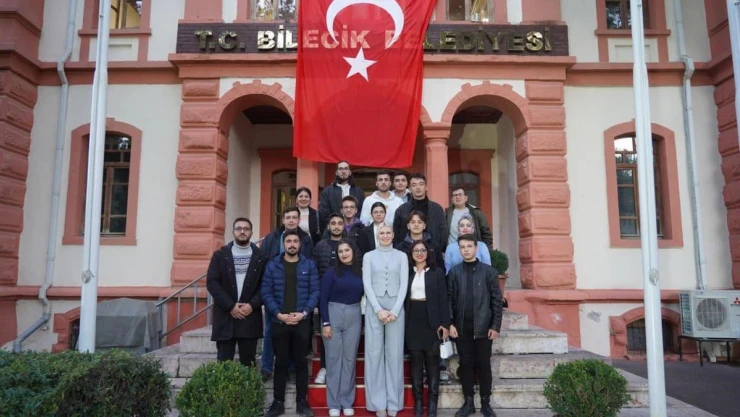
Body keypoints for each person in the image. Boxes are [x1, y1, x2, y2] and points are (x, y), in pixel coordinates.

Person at [262, 231, 320, 417]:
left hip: (301, 322)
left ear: (300, 244)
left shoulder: (309, 265)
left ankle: (302, 402)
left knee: (301, 362)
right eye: (289, 241)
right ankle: (277, 402)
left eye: (295, 241)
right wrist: (278, 314)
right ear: (283, 244)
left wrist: (303, 313)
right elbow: (266, 292)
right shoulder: (272, 266)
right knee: (280, 362)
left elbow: (315, 292)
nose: (292, 244)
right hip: (279, 321)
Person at [447, 234, 503, 417]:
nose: (466, 250)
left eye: (469, 246)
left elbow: (496, 301)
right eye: (462, 247)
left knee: (484, 364)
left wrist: (495, 326)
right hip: (461, 327)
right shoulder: (454, 272)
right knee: (466, 364)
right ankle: (469, 402)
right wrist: (450, 323)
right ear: (459, 249)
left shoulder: (489, 272)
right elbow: (449, 300)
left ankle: (486, 403)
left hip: (484, 327)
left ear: (476, 248)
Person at [260, 206, 315, 381]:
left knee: (293, 337)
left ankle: (291, 368)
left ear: (299, 220)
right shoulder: (271, 238)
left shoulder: (306, 239)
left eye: (294, 217)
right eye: (288, 217)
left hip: (297, 294)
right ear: (283, 220)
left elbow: (308, 263)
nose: (291, 220)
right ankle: (267, 367)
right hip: (275, 295)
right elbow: (263, 261)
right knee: (270, 334)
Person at [206, 217, 268, 367]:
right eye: (239, 228)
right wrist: (230, 306)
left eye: (246, 229)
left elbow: (266, 285)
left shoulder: (261, 257)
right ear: (233, 231)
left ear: (251, 232)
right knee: (224, 364)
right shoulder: (220, 255)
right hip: (225, 316)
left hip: (250, 316)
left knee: (248, 363)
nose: (242, 231)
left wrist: (252, 305)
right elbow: (212, 283)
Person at [362, 224, 409, 417]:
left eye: (388, 232)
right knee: (374, 355)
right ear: (377, 235)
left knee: (394, 354)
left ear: (393, 235)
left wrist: (395, 310)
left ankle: (394, 402)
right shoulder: (368, 256)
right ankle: (377, 403)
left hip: (396, 306)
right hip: (375, 307)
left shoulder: (402, 256)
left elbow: (404, 284)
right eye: (381, 233)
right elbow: (367, 283)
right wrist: (378, 309)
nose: (385, 236)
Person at [405, 240, 450, 417]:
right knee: (416, 362)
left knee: (432, 363)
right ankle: (418, 404)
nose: (419, 253)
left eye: (422, 250)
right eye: (416, 250)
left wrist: (445, 324)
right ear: (411, 254)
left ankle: (432, 406)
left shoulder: (437, 273)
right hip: (412, 321)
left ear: (428, 253)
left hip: (432, 321)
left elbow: (443, 300)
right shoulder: (407, 272)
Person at [320, 240, 364, 417]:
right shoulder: (331, 272)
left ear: (353, 251)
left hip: (354, 316)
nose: (344, 254)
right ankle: (333, 403)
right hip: (333, 315)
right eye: (340, 251)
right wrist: (326, 323)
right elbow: (322, 298)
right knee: (333, 361)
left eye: (347, 250)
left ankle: (346, 401)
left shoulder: (361, 272)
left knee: (349, 360)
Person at [312, 213, 346, 384]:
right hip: (326, 299)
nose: (337, 226)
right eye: (333, 223)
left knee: (345, 339)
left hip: (346, 299)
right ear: (328, 226)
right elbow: (315, 271)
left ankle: (343, 371)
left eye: (340, 223)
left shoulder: (349, 245)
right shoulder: (320, 246)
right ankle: (325, 368)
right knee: (327, 335)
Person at [393, 173, 447, 249]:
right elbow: (396, 234)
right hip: (407, 251)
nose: (418, 187)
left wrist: (439, 249)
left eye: (421, 184)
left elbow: (443, 231)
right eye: (414, 185)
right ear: (410, 189)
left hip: (432, 250)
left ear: (426, 187)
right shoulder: (401, 210)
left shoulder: (437, 208)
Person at [319, 161, 365, 231]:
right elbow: (324, 213)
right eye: (340, 169)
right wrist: (335, 224)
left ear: (350, 172)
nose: (343, 171)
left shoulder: (358, 191)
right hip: (334, 230)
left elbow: (361, 211)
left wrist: (352, 224)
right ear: (336, 172)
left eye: (346, 169)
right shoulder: (327, 191)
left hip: (354, 230)